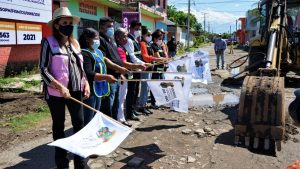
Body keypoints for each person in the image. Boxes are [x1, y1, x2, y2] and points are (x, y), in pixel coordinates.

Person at [39, 7, 90, 169]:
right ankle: (62, 164)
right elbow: (43, 69)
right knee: (59, 127)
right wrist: (60, 87)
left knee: (79, 125)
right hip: (56, 94)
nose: (68, 25)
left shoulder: (75, 43)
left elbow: (80, 68)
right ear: (56, 25)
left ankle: (80, 163)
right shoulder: (48, 42)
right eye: (64, 23)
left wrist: (86, 83)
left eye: (70, 23)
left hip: (76, 90)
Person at [79, 28, 117, 126]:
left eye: (98, 38)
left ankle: (94, 135)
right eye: (96, 38)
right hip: (90, 90)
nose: (98, 41)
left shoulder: (98, 52)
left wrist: (120, 69)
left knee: (96, 115)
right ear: (87, 39)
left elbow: (107, 62)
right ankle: (87, 137)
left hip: (99, 89)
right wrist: (107, 77)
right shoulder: (84, 53)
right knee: (88, 118)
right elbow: (89, 73)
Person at [98, 16, 129, 120]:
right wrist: (119, 69)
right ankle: (107, 130)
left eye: (112, 26)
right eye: (109, 26)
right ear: (102, 27)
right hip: (108, 78)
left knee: (115, 104)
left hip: (116, 77)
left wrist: (120, 73)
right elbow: (104, 59)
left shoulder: (111, 40)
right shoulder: (100, 40)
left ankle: (114, 125)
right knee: (108, 106)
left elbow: (115, 58)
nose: (112, 28)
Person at [114, 28, 146, 124]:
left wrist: (141, 64)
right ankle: (121, 119)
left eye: (126, 36)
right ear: (117, 37)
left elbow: (132, 57)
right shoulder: (119, 48)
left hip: (126, 75)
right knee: (121, 99)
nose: (126, 38)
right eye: (124, 36)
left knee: (124, 98)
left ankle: (123, 117)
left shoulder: (124, 46)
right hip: (122, 76)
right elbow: (124, 63)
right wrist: (138, 66)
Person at [125, 20, 152, 118]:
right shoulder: (129, 40)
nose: (138, 31)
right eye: (136, 29)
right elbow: (132, 57)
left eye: (139, 29)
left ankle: (133, 109)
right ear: (131, 29)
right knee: (131, 91)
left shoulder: (136, 40)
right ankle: (129, 112)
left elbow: (138, 55)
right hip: (133, 68)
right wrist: (142, 64)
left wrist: (142, 64)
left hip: (137, 68)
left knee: (136, 89)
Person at [138, 26, 166, 114]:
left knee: (147, 88)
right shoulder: (143, 43)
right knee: (144, 88)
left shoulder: (148, 44)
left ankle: (145, 104)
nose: (150, 36)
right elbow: (145, 57)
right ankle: (142, 105)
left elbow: (152, 55)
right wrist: (156, 59)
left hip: (150, 68)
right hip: (146, 68)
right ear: (143, 35)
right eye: (148, 34)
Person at [150, 29, 167, 108]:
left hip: (161, 69)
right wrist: (166, 59)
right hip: (156, 69)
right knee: (155, 86)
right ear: (155, 38)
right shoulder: (153, 46)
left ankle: (159, 100)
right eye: (160, 38)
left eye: (162, 38)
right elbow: (158, 57)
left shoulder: (159, 46)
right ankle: (153, 102)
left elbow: (164, 55)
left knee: (161, 85)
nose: (161, 40)